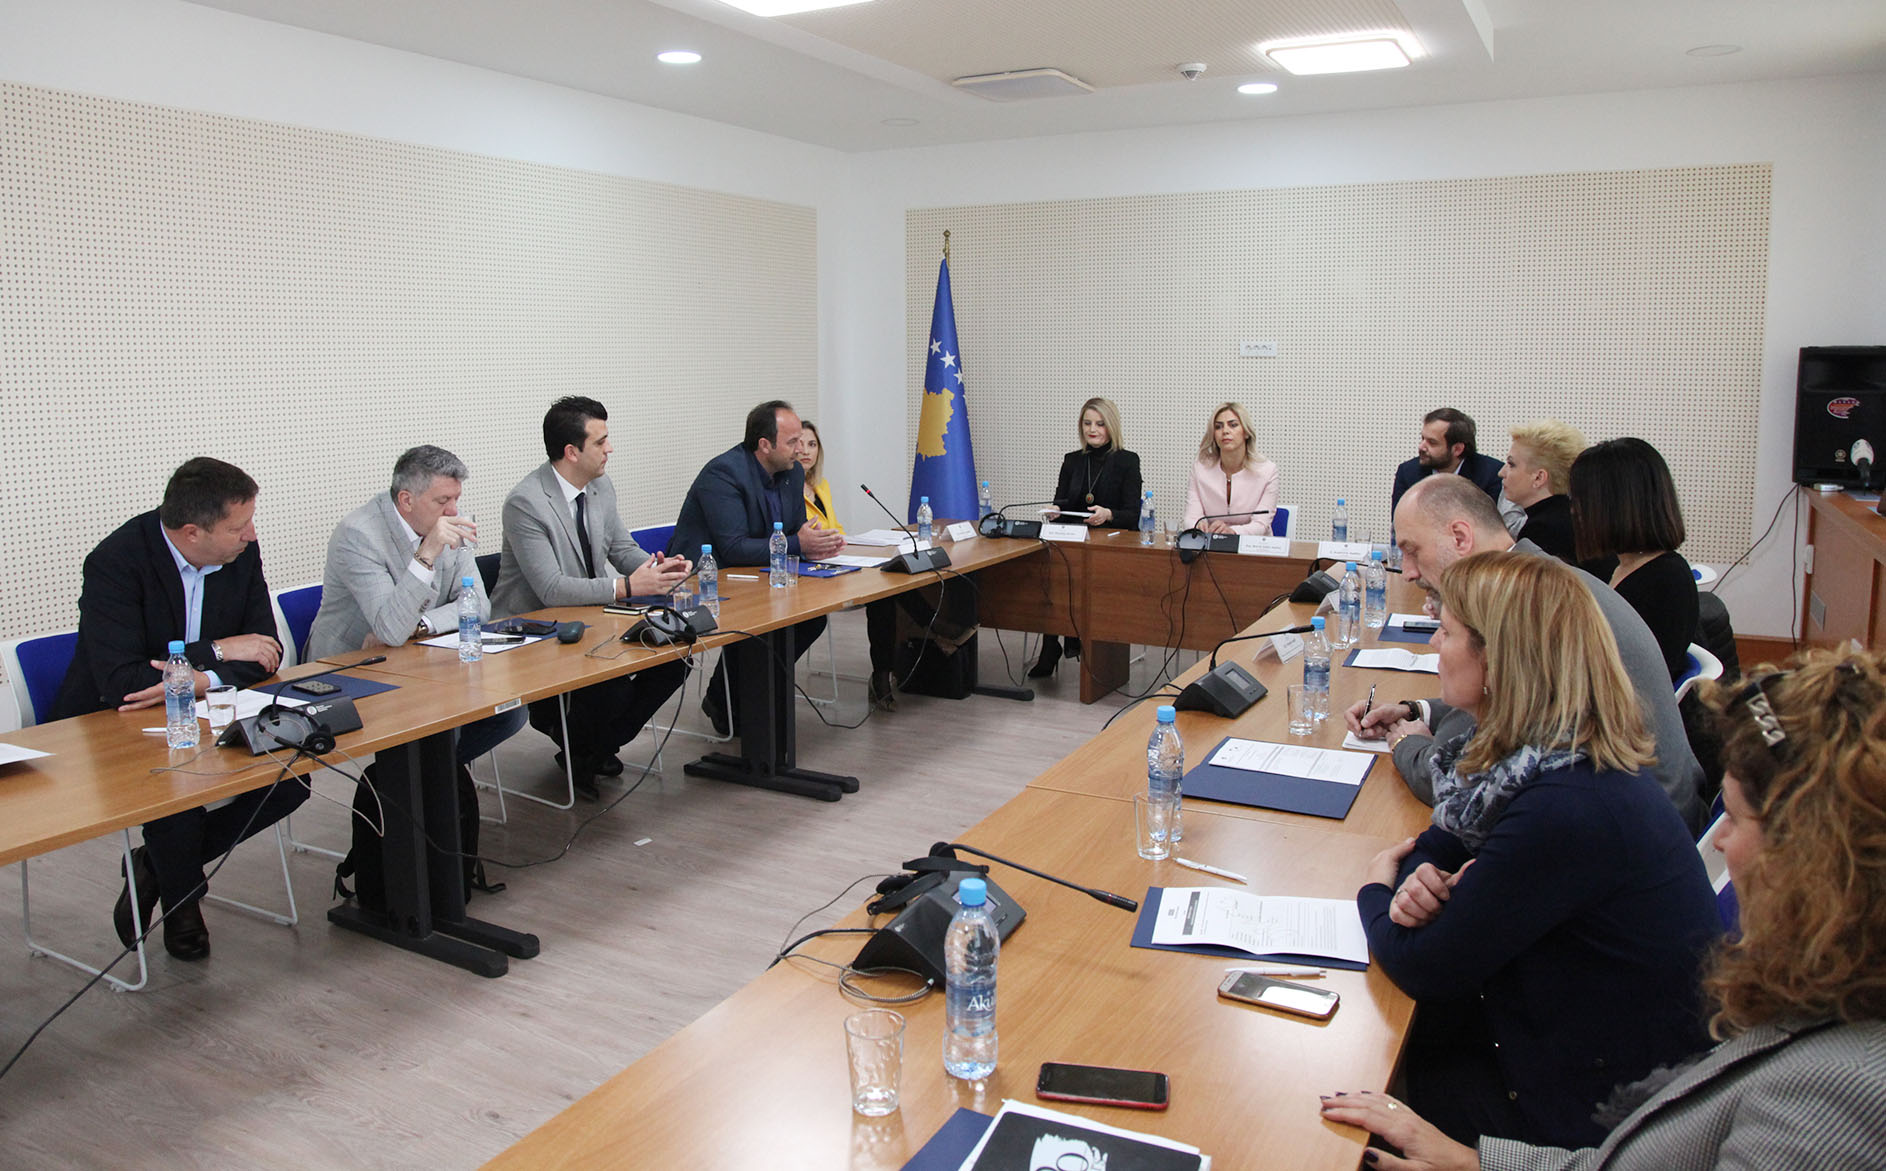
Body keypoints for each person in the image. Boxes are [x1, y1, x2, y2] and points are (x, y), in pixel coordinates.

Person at [1320, 648, 1886, 1169]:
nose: (1719, 840)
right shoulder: (1822, 1006)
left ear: (1811, 859)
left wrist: (1471, 1163)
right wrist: (1473, 1162)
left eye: (1735, 818)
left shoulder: (1842, 1093)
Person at [1348, 551, 1720, 1149]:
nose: (1435, 645)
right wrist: (1417, 884)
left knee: (1349, 1089)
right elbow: (1435, 844)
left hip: (1591, 1120)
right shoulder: (1533, 760)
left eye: (1447, 633)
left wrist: (1373, 888)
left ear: (1498, 662)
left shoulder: (1567, 804)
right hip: (1549, 1042)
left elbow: (1426, 965)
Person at [1344, 474, 1704, 832]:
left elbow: (1454, 776)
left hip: (1630, 827)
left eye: (1412, 550)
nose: (1407, 572)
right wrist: (1416, 710)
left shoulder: (1518, 607)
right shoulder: (1539, 578)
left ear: (1460, 538)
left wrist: (1404, 742)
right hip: (1641, 800)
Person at [53, 457, 307, 961]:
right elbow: (125, 682)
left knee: (290, 782)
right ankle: (183, 903)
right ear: (193, 532)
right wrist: (219, 651)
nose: (251, 534)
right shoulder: (116, 561)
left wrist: (201, 678)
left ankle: (154, 868)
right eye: (238, 526)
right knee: (179, 796)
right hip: (112, 723)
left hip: (207, 707)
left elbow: (266, 652)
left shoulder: (240, 554)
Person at [308, 445, 529, 898]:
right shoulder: (359, 535)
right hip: (350, 673)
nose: (453, 510)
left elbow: (477, 606)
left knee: (508, 712)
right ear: (406, 500)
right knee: (439, 729)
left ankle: (421, 793)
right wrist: (427, 553)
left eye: (456, 499)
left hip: (421, 658)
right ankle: (416, 813)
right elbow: (390, 630)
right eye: (442, 500)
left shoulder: (448, 522)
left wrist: (422, 624)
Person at [490, 396, 692, 798]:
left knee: (674, 659)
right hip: (533, 630)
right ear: (572, 452)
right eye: (600, 442)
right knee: (610, 687)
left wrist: (657, 569)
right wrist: (628, 587)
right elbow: (551, 588)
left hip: (591, 618)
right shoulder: (526, 503)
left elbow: (621, 548)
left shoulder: (599, 486)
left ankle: (589, 749)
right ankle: (581, 745)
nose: (609, 449)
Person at [670, 400, 846, 734]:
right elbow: (733, 547)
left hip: (757, 574)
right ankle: (733, 703)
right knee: (759, 622)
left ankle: (735, 698)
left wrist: (815, 541)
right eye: (792, 442)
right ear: (765, 445)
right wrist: (799, 544)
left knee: (810, 620)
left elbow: (794, 531)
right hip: (709, 579)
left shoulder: (792, 473)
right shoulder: (723, 474)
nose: (800, 451)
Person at [1570, 437, 1698, 683]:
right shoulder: (1625, 565)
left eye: (1580, 500)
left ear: (1612, 505)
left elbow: (1637, 678)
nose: (1575, 510)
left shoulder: (1666, 581)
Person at [1031, 397, 1143, 678]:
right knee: (1051, 574)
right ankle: (1051, 644)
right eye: (1087, 423)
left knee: (1077, 576)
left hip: (1110, 544)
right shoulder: (1073, 460)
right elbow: (1062, 502)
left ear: (1111, 426)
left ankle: (1075, 640)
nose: (1092, 429)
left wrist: (1107, 514)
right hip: (1074, 540)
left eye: (1100, 424)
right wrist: (1055, 511)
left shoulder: (1127, 461)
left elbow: (1132, 514)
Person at [1181, 402, 1278, 536]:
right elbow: (1191, 518)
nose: (1225, 431)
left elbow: (1261, 525)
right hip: (1211, 544)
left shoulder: (1267, 471)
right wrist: (1198, 526)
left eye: (1233, 425)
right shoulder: (1200, 469)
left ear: (1246, 432)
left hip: (1252, 545)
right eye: (1218, 427)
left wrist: (1231, 531)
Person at [1390, 407, 1505, 519]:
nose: (1421, 447)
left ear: (1457, 449)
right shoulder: (1407, 472)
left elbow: (1492, 527)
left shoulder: (1492, 474)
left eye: (1432, 442)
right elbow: (1399, 523)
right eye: (1422, 438)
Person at [1498, 419, 1586, 563]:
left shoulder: (1542, 530)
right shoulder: (1571, 516)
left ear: (1539, 477)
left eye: (1511, 464)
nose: (1501, 472)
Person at [799, 420, 841, 533]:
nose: (806, 451)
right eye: (800, 444)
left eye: (812, 444)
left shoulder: (822, 484)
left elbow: (835, 526)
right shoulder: (784, 488)